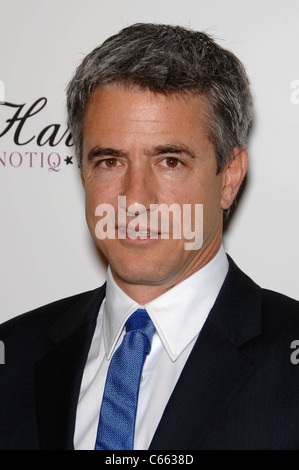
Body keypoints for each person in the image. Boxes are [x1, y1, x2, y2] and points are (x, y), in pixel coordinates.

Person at [0, 23, 299, 451]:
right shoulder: (12, 354)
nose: (135, 199)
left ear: (229, 177)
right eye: (109, 161)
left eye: (170, 161)